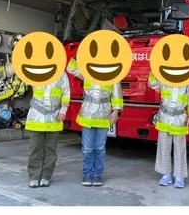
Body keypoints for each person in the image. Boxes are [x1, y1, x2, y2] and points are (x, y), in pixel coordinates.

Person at [67, 57, 123, 186]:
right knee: (87, 149)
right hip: (87, 115)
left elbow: (117, 95)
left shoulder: (113, 74)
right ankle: (87, 174)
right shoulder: (87, 72)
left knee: (99, 148)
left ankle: (97, 175)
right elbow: (71, 68)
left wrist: (116, 110)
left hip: (104, 115)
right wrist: (78, 56)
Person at [148, 71, 189, 188]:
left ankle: (179, 177)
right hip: (165, 119)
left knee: (180, 149)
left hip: (180, 120)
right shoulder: (164, 80)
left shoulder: (187, 83)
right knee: (163, 147)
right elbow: (153, 84)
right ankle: (166, 175)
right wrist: (153, 71)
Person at [25, 72, 71, 188]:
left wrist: (63, 110)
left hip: (54, 117)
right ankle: (34, 177)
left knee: (50, 150)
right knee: (36, 148)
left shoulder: (61, 74)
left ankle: (46, 176)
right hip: (37, 118)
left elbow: (66, 92)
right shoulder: (35, 70)